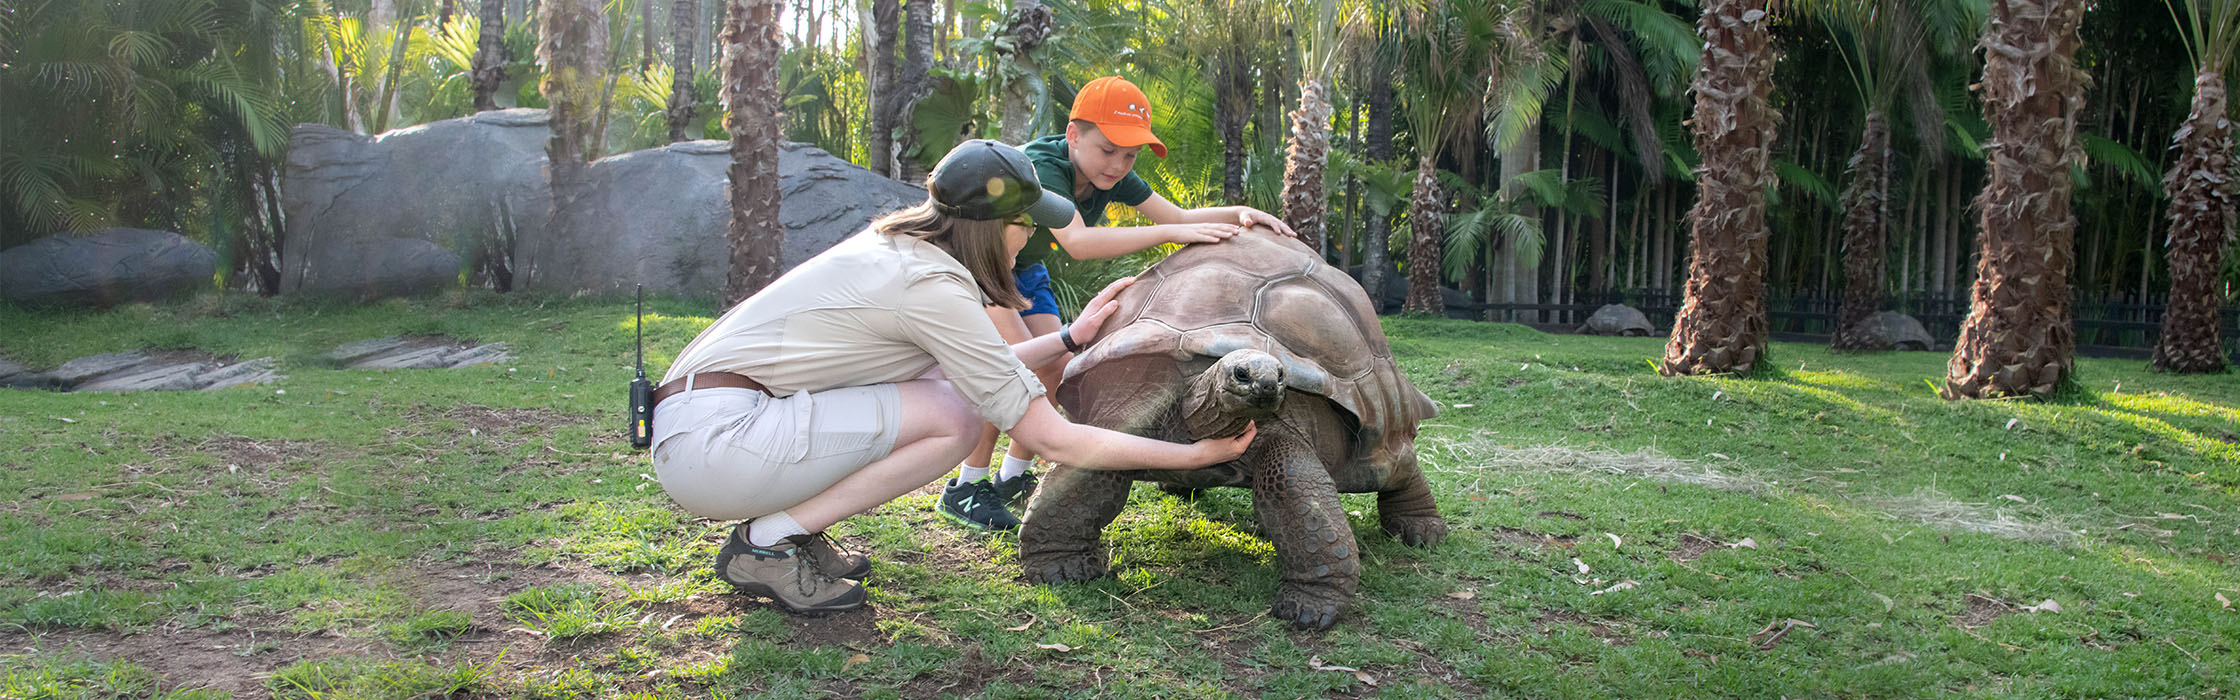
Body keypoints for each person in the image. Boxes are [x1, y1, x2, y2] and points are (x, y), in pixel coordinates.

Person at [650, 139, 1257, 614]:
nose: (1033, 236)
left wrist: (1072, 336)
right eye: (1026, 223)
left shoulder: (905, 248)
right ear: (994, 228)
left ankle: (786, 535)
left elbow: (976, 365)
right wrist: (1193, 456)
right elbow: (1051, 438)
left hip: (713, 422)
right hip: (720, 445)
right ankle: (768, 543)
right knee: (956, 418)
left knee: (948, 395)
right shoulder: (931, 287)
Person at [938, 75, 1297, 531]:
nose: (1118, 164)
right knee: (1009, 371)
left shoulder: (1112, 176)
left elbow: (1179, 217)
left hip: (1025, 271)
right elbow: (1078, 241)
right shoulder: (1043, 166)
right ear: (1073, 135)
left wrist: (1242, 213)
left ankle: (1013, 476)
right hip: (986, 266)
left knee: (1054, 365)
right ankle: (968, 486)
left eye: (1130, 155)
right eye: (1108, 150)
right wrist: (1171, 235)